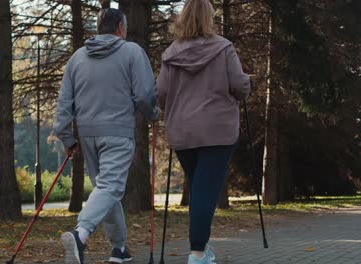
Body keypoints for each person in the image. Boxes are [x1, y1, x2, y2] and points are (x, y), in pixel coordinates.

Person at [53, 8, 159, 264]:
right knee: (110, 187)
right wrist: (154, 114)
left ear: (99, 27)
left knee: (106, 189)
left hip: (87, 135)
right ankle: (81, 234)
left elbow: (64, 103)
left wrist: (68, 138)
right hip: (118, 131)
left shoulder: (77, 58)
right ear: (121, 27)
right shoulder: (132, 52)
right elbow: (145, 95)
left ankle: (119, 249)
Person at [156, 0, 251, 263]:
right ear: (209, 17)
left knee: (200, 190)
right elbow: (239, 87)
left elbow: (161, 94)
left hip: (183, 133)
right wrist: (246, 82)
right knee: (205, 192)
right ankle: (197, 253)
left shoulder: (171, 54)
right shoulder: (224, 48)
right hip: (217, 131)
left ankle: (202, 249)